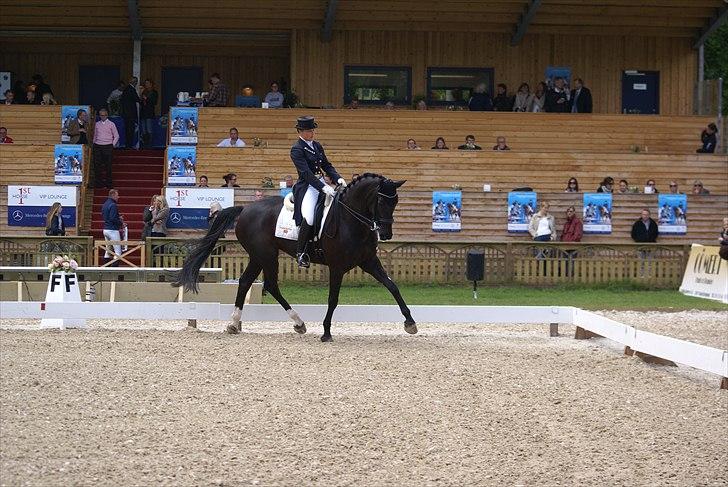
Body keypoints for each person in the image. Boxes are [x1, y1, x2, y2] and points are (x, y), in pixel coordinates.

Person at [290, 115, 346, 268]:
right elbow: (306, 173)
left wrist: (338, 178)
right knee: (309, 216)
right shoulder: (297, 149)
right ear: (300, 131)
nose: (311, 133)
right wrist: (322, 187)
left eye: (312, 130)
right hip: (307, 186)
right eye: (308, 131)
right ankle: (300, 253)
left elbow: (326, 165)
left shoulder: (317, 146)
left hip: (322, 183)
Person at [92, 108, 119, 188]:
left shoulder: (111, 124)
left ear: (107, 115)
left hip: (108, 146)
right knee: (97, 166)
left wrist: (112, 145)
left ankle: (109, 184)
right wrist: (94, 143)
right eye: (101, 115)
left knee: (108, 166)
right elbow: (95, 135)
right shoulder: (97, 124)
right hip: (98, 146)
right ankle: (98, 184)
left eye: (104, 115)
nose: (102, 117)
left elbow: (116, 135)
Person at [102, 189, 125, 266]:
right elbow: (113, 218)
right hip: (112, 230)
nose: (118, 197)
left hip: (105, 229)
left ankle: (106, 267)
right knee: (118, 251)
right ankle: (113, 269)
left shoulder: (105, 204)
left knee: (108, 250)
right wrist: (121, 223)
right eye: (117, 195)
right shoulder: (113, 205)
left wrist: (118, 217)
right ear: (113, 195)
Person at [120, 76, 140, 149]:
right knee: (130, 130)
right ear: (135, 82)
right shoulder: (131, 89)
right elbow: (137, 99)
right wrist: (143, 100)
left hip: (125, 114)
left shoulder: (126, 89)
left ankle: (127, 145)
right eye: (136, 82)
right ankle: (129, 146)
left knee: (127, 130)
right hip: (131, 114)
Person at [139, 79, 158, 148]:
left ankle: (150, 145)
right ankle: (144, 144)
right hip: (143, 113)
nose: (146, 85)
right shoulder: (144, 92)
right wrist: (141, 97)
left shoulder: (154, 92)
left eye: (147, 83)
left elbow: (154, 102)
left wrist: (146, 98)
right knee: (144, 130)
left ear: (151, 84)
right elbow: (141, 102)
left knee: (149, 129)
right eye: (145, 83)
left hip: (149, 113)